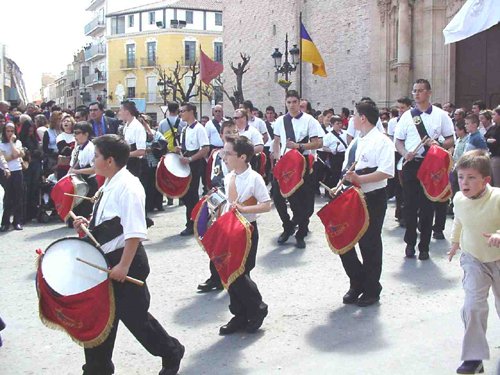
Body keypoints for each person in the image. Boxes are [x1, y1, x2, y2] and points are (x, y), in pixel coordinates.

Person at [72, 134, 184, 375]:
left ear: (109, 160)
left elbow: (135, 232)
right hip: (105, 261)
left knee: (136, 319)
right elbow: (110, 220)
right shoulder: (110, 182)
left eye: (96, 156)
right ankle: (97, 369)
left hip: (127, 261)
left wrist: (123, 266)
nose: (93, 160)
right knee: (101, 318)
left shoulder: (129, 186)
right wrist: (87, 223)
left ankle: (171, 350)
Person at [448, 150, 500, 375]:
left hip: (498, 258)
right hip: (473, 259)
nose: (464, 182)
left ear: (485, 180)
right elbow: (459, 220)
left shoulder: (497, 198)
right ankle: (473, 358)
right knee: (472, 306)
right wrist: (454, 243)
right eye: (461, 177)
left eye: (471, 177)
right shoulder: (459, 198)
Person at [338, 101, 394, 307]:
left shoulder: (382, 141)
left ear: (363, 118)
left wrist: (361, 178)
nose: (351, 119)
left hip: (373, 198)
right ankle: (357, 281)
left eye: (354, 115)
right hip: (351, 197)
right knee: (343, 241)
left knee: (369, 244)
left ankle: (372, 289)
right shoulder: (356, 142)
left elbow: (387, 171)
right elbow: (347, 169)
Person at [395, 78, 454, 260]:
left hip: (431, 164)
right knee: (410, 205)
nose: (417, 94)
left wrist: (439, 144)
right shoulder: (407, 116)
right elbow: (398, 141)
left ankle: (424, 246)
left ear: (429, 92)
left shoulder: (441, 115)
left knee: (428, 207)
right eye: (415, 91)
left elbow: (450, 139)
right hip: (412, 164)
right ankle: (410, 243)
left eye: (420, 90)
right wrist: (405, 154)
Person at [218, 135, 271, 335]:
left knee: (240, 273)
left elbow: (266, 205)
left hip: (247, 230)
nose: (224, 157)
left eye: (228, 153)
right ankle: (239, 314)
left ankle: (257, 309)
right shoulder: (229, 176)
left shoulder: (254, 178)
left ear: (242, 157)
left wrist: (243, 209)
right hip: (228, 229)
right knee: (229, 274)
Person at [272, 90, 322, 249]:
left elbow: (318, 143)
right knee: (277, 196)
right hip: (285, 163)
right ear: (285, 103)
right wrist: (277, 157)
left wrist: (299, 146)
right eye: (289, 102)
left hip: (303, 163)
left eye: (294, 102)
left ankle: (300, 232)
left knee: (303, 201)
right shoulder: (280, 121)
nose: (292, 105)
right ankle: (287, 225)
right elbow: (277, 141)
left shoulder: (310, 120)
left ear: (299, 103)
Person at [197, 120, 238, 293]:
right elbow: (211, 176)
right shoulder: (215, 155)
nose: (230, 134)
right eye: (227, 131)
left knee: (233, 243)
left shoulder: (242, 153)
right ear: (221, 135)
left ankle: (234, 275)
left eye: (233, 131)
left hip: (235, 201)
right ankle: (215, 276)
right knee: (215, 240)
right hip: (218, 199)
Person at [177, 102, 209, 236]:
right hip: (187, 161)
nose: (181, 114)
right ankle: (195, 220)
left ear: (191, 112)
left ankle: (192, 223)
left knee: (191, 194)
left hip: (195, 163)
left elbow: (205, 148)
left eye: (183, 111)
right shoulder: (185, 129)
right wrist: (181, 150)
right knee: (185, 194)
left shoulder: (199, 128)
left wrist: (190, 159)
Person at [67, 122, 97, 219]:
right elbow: (73, 165)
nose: (75, 136)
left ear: (86, 134)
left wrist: (77, 171)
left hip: (89, 183)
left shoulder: (91, 148)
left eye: (78, 133)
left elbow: (94, 169)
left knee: (86, 215)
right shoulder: (77, 148)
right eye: (74, 133)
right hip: (79, 183)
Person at [0, 123, 24, 231]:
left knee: (18, 197)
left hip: (17, 170)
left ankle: (17, 221)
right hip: (6, 172)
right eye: (8, 131)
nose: (10, 133)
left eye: (12, 131)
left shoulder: (17, 142)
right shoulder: (1, 143)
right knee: (7, 197)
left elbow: (17, 153)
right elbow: (6, 157)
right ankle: (5, 222)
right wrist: (14, 156)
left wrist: (11, 142)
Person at [55, 114, 76, 179]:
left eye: (68, 121)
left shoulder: (76, 135)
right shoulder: (60, 136)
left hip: (75, 165)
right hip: (64, 166)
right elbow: (64, 151)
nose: (65, 122)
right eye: (64, 121)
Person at [42, 110, 63, 177]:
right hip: (52, 158)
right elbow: (44, 148)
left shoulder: (64, 130)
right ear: (54, 120)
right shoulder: (48, 132)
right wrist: (54, 151)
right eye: (59, 119)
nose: (61, 121)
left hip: (63, 157)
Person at [485, 107, 500, 187]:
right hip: (491, 155)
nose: (492, 116)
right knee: (490, 182)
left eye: (494, 114)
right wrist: (488, 140)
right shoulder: (493, 127)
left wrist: (495, 141)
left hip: (498, 156)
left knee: (497, 181)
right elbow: (485, 136)